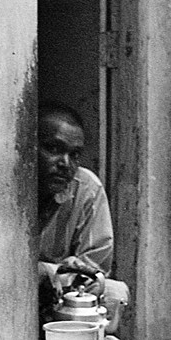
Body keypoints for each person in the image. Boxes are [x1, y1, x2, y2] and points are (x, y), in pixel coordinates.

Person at [37, 102, 113, 292]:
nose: (65, 163)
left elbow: (93, 270)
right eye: (53, 149)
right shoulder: (5, 190)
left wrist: (59, 274)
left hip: (61, 293)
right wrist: (49, 271)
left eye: (75, 154)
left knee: (113, 293)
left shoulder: (86, 188)